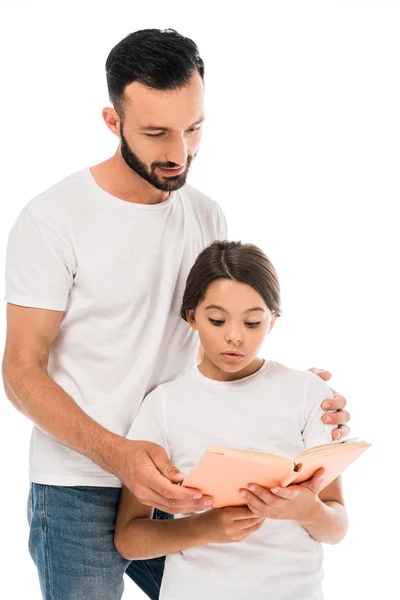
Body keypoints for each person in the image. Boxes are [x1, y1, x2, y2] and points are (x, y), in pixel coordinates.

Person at [2, 29, 350, 600]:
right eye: (157, 133)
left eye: (194, 128)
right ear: (113, 122)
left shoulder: (207, 215)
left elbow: (219, 326)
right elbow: (19, 369)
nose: (179, 153)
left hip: (192, 474)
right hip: (80, 482)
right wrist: (119, 454)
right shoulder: (52, 220)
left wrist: (291, 391)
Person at [115, 240, 348, 600]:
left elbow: (336, 527)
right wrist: (204, 528)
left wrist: (308, 509)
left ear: (273, 321)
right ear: (191, 316)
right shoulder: (164, 405)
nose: (235, 336)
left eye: (253, 322)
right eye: (217, 320)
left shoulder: (307, 393)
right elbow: (130, 539)